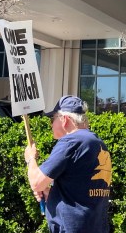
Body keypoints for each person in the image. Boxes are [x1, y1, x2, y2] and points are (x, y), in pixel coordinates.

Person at [24, 95, 112, 233]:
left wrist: (30, 158)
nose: (51, 124)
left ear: (64, 119)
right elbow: (81, 189)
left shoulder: (71, 141)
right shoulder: (98, 143)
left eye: (52, 119)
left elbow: (36, 182)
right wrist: (51, 193)